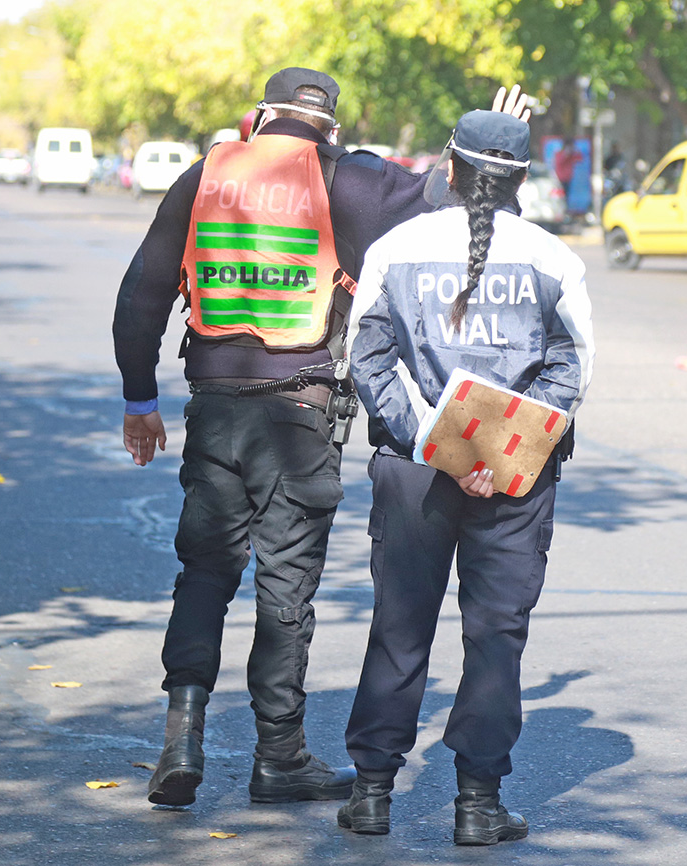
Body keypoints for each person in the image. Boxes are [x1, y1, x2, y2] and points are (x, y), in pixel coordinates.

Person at [112, 67, 532, 809]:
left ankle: (182, 734)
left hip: (213, 403)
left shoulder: (203, 175)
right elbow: (451, 195)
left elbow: (142, 292)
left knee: (205, 570)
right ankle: (278, 758)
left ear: (258, 116)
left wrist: (139, 397)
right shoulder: (349, 179)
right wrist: (485, 137)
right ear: (329, 126)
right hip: (300, 415)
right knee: (285, 587)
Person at [337, 110, 594, 845]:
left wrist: (434, 441)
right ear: (521, 179)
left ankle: (372, 795)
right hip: (515, 482)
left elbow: (368, 359)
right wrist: (497, 455)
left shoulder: (398, 247)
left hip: (415, 472)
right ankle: (478, 807)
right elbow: (571, 368)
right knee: (495, 638)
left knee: (398, 627)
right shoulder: (554, 259)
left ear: (448, 168)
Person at [553, 135, 582, 200]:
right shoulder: (559, 153)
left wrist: (575, 150)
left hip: (569, 178)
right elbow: (559, 162)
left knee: (567, 195)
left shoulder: (572, 154)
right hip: (560, 178)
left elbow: (580, 159)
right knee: (561, 196)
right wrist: (566, 154)